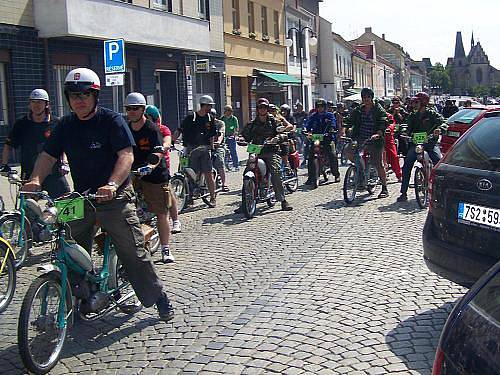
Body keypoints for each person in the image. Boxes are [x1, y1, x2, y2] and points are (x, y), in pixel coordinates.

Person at [22, 67, 174, 321]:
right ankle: (79, 294)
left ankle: (158, 296)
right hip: (82, 197)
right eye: (73, 95)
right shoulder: (65, 125)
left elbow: (126, 154)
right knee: (67, 243)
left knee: (132, 250)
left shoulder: (111, 120)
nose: (78, 100)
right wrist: (36, 179)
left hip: (114, 197)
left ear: (95, 96)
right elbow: (48, 155)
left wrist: (113, 184)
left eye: (84, 94)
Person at [126, 93, 175, 264]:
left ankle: (165, 248)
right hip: (133, 174)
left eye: (135, 108)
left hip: (154, 175)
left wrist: (151, 165)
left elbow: (158, 151)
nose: (131, 112)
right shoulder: (125, 127)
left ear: (143, 110)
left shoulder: (152, 129)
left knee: (161, 212)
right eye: (128, 109)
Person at [1, 89, 70, 199]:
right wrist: (4, 165)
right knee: (28, 208)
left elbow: (64, 147)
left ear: (46, 104)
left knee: (66, 202)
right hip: (29, 173)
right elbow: (8, 145)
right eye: (33, 102)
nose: (36, 105)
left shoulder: (56, 123)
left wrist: (64, 163)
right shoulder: (21, 124)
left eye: (39, 102)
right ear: (29, 104)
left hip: (53, 172)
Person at [237, 98, 293, 212]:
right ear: (257, 109)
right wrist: (240, 139)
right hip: (256, 151)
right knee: (247, 172)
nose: (262, 110)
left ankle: (283, 200)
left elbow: (284, 134)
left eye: (264, 107)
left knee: (276, 172)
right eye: (260, 107)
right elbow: (245, 136)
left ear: (267, 109)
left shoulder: (274, 121)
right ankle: (245, 203)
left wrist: (276, 139)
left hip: (271, 150)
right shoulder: (252, 124)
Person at [397, 92, 443, 203]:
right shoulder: (412, 115)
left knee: (439, 163)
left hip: (430, 144)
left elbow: (443, 122)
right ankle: (403, 193)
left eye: (416, 102)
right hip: (416, 144)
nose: (414, 104)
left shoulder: (432, 114)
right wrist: (404, 133)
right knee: (407, 165)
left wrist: (440, 129)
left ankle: (441, 191)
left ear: (423, 102)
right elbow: (406, 126)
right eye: (413, 102)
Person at [345, 87, 389, 198]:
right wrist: (346, 128)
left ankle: (384, 188)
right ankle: (361, 171)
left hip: (375, 139)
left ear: (372, 97)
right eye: (364, 97)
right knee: (349, 151)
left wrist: (378, 133)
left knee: (378, 163)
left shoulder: (378, 109)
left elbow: (383, 121)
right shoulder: (359, 110)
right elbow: (349, 120)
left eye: (368, 97)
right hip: (360, 137)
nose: (366, 99)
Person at [174, 95, 218, 207]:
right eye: (209, 105)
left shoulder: (210, 119)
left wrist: (212, 147)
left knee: (208, 173)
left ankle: (212, 197)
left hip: (204, 149)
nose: (210, 108)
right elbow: (179, 130)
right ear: (204, 105)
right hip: (191, 148)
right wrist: (171, 141)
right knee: (189, 172)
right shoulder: (191, 117)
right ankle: (189, 197)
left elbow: (212, 135)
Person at [145, 105, 181, 234]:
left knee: (168, 193)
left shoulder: (163, 129)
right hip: (145, 166)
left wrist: (163, 148)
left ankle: (176, 220)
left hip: (161, 166)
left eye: (147, 116)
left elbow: (167, 142)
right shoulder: (140, 129)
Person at [304, 98, 340, 185]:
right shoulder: (313, 116)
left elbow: (333, 124)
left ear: (325, 107)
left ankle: (336, 174)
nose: (320, 108)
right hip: (316, 138)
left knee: (332, 154)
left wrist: (331, 130)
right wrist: (305, 130)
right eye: (318, 106)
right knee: (311, 156)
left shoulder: (329, 115)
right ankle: (311, 177)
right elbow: (308, 124)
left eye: (322, 106)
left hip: (327, 138)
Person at [211, 108, 229, 192]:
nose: (210, 117)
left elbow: (221, 133)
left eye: (212, 115)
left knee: (219, 161)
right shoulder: (203, 123)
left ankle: (224, 184)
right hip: (207, 146)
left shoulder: (220, 123)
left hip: (219, 146)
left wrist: (218, 142)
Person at [384, 113, 402, 182]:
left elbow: (392, 123)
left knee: (394, 156)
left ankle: (399, 175)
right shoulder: (367, 113)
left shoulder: (388, 115)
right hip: (373, 137)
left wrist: (388, 129)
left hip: (387, 139)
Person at [221, 105, 240, 171]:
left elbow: (236, 128)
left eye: (228, 110)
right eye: (226, 110)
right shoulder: (222, 118)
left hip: (231, 137)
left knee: (233, 151)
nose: (227, 112)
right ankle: (222, 166)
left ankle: (236, 165)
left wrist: (234, 135)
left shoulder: (234, 119)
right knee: (222, 151)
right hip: (224, 137)